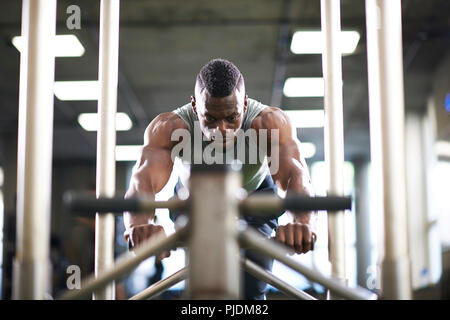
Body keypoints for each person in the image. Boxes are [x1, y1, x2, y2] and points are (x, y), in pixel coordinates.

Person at [123, 58, 316, 300]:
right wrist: (138, 225)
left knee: (250, 289)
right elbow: (142, 181)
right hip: (194, 200)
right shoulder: (169, 127)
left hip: (256, 199)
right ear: (195, 107)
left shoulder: (268, 123)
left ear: (244, 105)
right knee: (206, 288)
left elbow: (296, 176)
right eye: (211, 119)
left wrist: (301, 222)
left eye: (231, 118)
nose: (221, 129)